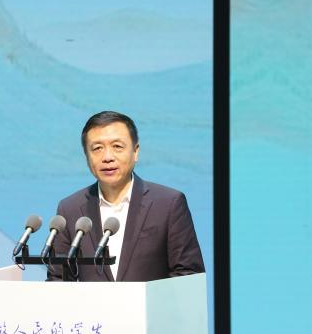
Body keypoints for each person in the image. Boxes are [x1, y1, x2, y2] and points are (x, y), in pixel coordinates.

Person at [47, 111, 205, 282]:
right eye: (97, 148)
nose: (107, 157)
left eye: (117, 146)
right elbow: (59, 279)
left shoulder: (168, 204)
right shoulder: (70, 209)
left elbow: (188, 274)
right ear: (86, 156)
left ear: (135, 152)